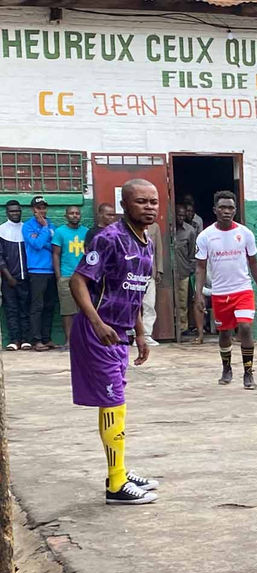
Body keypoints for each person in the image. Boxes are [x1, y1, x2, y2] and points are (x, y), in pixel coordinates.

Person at [68, 178, 160, 505]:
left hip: (121, 333)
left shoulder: (147, 242)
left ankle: (118, 470)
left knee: (116, 403)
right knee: (114, 403)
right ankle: (116, 486)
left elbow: (132, 292)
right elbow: (78, 281)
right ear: (124, 205)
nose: (149, 207)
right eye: (141, 201)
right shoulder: (109, 239)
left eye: (153, 201)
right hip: (99, 333)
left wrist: (140, 332)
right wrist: (97, 323)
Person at [194, 191, 257, 389]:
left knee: (245, 327)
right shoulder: (205, 236)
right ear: (215, 210)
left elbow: (253, 263)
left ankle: (248, 373)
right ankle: (226, 368)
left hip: (243, 290)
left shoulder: (245, 233)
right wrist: (198, 294)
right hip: (220, 292)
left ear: (235, 210)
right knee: (224, 332)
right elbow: (200, 267)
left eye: (230, 208)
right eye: (222, 207)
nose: (226, 211)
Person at [51, 205, 88, 348]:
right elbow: (56, 254)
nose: (75, 215)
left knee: (84, 309)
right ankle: (69, 340)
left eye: (77, 213)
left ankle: (83, 340)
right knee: (67, 310)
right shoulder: (60, 232)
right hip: (66, 275)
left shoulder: (86, 231)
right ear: (66, 216)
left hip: (83, 277)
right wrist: (58, 276)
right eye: (71, 213)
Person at [23, 196, 56, 351]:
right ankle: (36, 340)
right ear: (33, 210)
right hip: (36, 270)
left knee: (49, 306)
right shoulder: (28, 226)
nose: (42, 211)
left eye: (44, 208)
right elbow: (36, 244)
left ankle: (46, 338)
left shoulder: (52, 225)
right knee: (37, 306)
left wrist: (43, 239)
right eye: (38, 208)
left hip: (51, 270)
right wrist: (44, 229)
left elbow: (54, 246)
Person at [0, 199, 31, 351]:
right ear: (7, 213)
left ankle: (25, 339)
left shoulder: (26, 228)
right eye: (12, 211)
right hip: (9, 279)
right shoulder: (1, 230)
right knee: (11, 309)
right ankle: (14, 340)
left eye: (18, 210)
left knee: (25, 309)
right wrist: (8, 276)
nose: (15, 213)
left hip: (27, 277)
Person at [172, 205, 197, 338]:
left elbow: (192, 253)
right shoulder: (169, 229)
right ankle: (170, 327)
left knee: (183, 301)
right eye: (178, 215)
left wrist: (190, 269)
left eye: (183, 215)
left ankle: (183, 327)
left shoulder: (190, 231)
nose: (181, 218)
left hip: (183, 271)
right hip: (168, 273)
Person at [141, 220, 164, 346]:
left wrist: (159, 269)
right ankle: (132, 334)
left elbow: (158, 249)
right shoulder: (129, 225)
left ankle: (146, 334)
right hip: (133, 271)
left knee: (149, 304)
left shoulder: (154, 227)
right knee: (132, 305)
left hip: (149, 271)